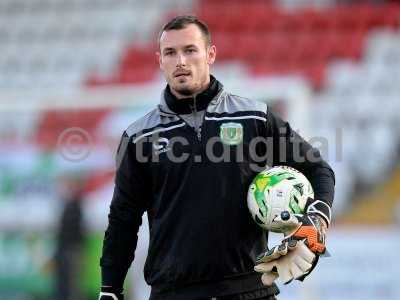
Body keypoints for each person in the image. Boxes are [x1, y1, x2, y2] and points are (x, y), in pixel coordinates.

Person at [99, 15, 335, 300]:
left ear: (210, 54)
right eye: (170, 53)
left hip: (250, 291)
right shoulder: (139, 137)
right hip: (174, 294)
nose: (180, 61)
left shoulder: (254, 117)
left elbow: (318, 169)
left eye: (190, 50)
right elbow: (123, 219)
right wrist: (110, 289)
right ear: (160, 60)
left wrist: (316, 223)